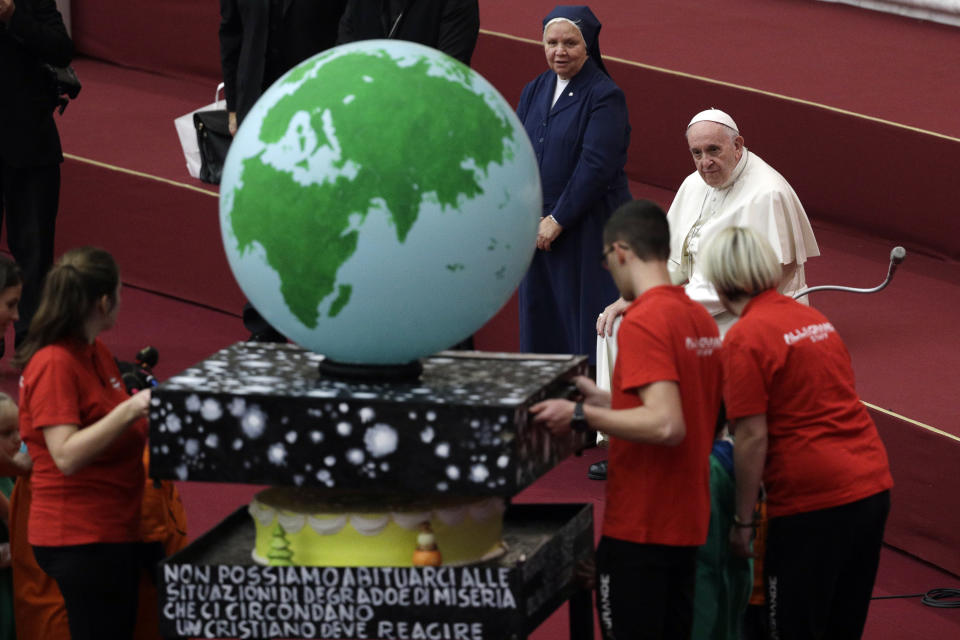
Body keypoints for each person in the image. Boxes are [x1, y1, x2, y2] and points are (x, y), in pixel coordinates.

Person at [590, 107, 819, 480]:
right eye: (697, 154)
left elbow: (753, 281)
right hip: (693, 298)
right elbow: (672, 257)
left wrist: (665, 305)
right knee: (615, 324)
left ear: (738, 146)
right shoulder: (695, 184)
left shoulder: (769, 193)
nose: (705, 163)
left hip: (744, 312)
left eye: (713, 151)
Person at [531, 200, 722, 639]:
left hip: (643, 523)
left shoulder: (642, 321)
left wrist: (580, 414)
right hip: (689, 518)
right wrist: (605, 398)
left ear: (620, 251)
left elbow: (666, 425)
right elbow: (685, 406)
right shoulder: (700, 319)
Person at [701, 226, 892, 639]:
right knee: (841, 624)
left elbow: (751, 437)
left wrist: (742, 523)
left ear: (718, 279)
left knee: (791, 627)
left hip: (812, 502)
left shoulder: (745, 338)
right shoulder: (813, 318)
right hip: (871, 486)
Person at [13, 247, 151, 640]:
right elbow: (65, 455)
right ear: (104, 301)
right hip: (78, 538)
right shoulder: (54, 363)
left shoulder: (95, 351)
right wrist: (132, 410)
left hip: (110, 530)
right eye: (120, 292)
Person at [516, 5, 631, 362]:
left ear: (588, 45)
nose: (559, 51)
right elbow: (518, 151)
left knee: (581, 323)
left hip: (584, 229)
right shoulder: (536, 87)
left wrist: (557, 219)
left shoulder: (604, 95)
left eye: (570, 43)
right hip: (537, 229)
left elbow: (595, 167)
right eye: (551, 42)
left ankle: (587, 409)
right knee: (541, 317)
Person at [0, 0, 73, 353]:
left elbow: (61, 49)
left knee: (35, 249)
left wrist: (14, 18)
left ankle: (31, 340)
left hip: (30, 140)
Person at [219, 0, 348, 136]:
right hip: (252, 104)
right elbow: (231, 33)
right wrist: (233, 106)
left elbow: (351, 33)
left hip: (315, 107)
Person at [337, 0, 480, 65]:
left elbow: (449, 70)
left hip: (421, 108)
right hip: (363, 98)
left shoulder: (457, 3)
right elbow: (342, 54)